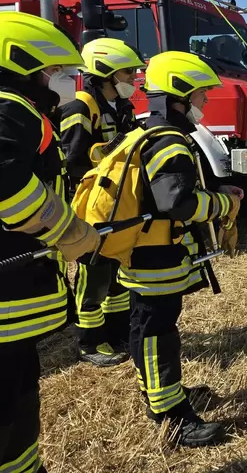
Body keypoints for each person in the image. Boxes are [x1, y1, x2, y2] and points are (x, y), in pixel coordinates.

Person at [119, 51, 242, 446]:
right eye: (201, 95)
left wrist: (215, 190)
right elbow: (176, 203)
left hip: (144, 253)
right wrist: (222, 204)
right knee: (158, 331)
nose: (205, 103)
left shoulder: (150, 132)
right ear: (180, 96)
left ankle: (159, 394)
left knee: (144, 325)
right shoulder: (170, 141)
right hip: (158, 257)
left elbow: (165, 194)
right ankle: (173, 416)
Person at [0, 12, 100, 473]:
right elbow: (8, 187)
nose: (59, 83)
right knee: (11, 410)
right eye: (51, 73)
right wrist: (70, 232)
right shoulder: (10, 108)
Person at [60, 38, 145, 367]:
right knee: (92, 272)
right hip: (90, 204)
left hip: (117, 202)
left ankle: (118, 330)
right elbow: (72, 162)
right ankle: (89, 341)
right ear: (106, 74)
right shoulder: (81, 107)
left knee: (116, 267)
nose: (132, 79)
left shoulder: (122, 107)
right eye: (127, 73)